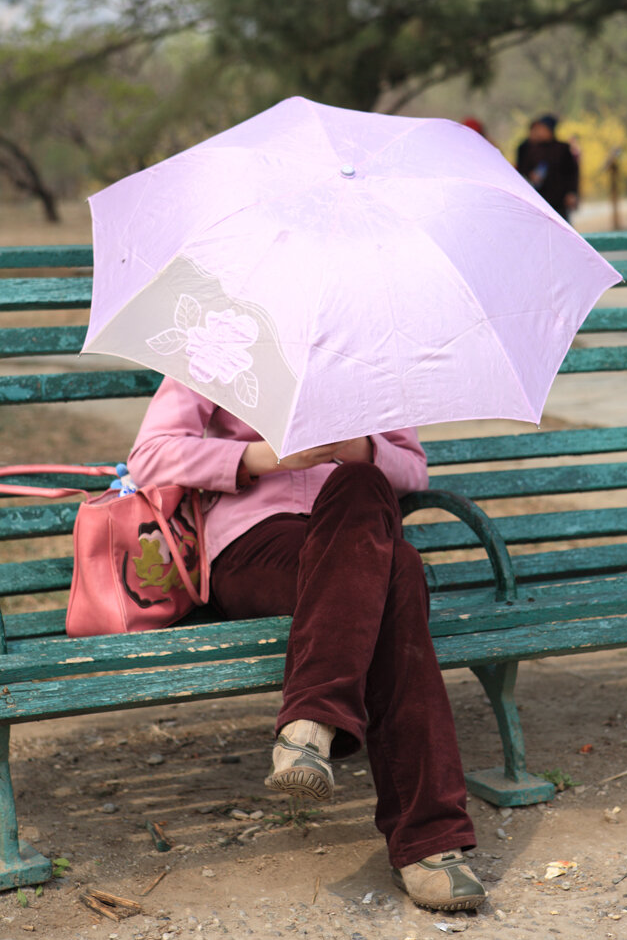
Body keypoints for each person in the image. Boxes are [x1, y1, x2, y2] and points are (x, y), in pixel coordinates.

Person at [127, 379, 487, 912]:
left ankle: (310, 724)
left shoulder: (369, 354)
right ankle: (429, 843)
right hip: (255, 547)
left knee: (367, 490)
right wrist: (263, 458)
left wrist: (354, 449)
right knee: (400, 571)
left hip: (358, 534)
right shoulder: (220, 339)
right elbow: (149, 458)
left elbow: (412, 469)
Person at [516, 114, 579, 222]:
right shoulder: (529, 148)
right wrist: (530, 174)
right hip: (537, 198)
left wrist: (572, 192)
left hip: (559, 199)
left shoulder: (562, 149)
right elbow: (521, 168)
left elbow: (571, 173)